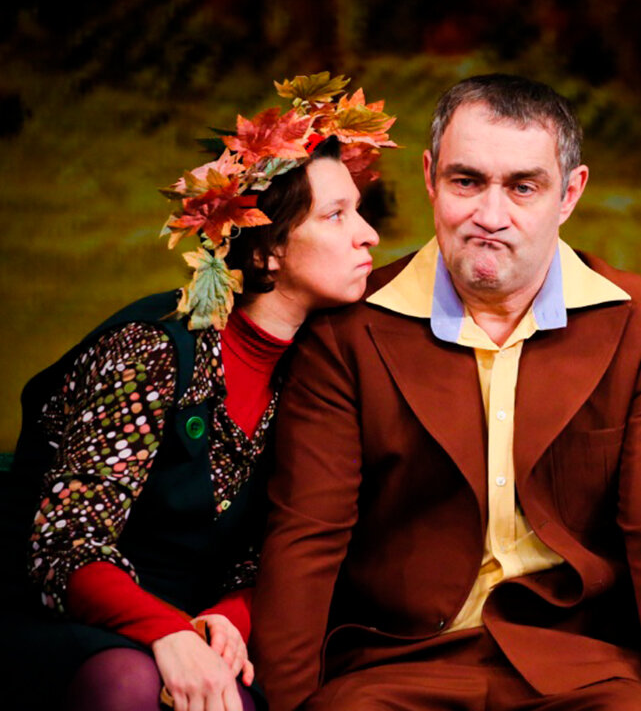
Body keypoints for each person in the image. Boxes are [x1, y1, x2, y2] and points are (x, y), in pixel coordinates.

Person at [251, 74, 641, 711]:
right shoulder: (348, 330)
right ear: (431, 178)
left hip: (581, 672)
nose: (490, 216)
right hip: (395, 669)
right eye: (467, 181)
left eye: (523, 187)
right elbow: (308, 537)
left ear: (569, 193)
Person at [0, 73, 395, 711]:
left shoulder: (317, 371)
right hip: (69, 621)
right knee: (131, 684)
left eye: (360, 211)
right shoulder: (153, 348)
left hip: (202, 633)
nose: (368, 235)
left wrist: (228, 618)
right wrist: (169, 632)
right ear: (267, 250)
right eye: (336, 215)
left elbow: (285, 546)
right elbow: (64, 544)